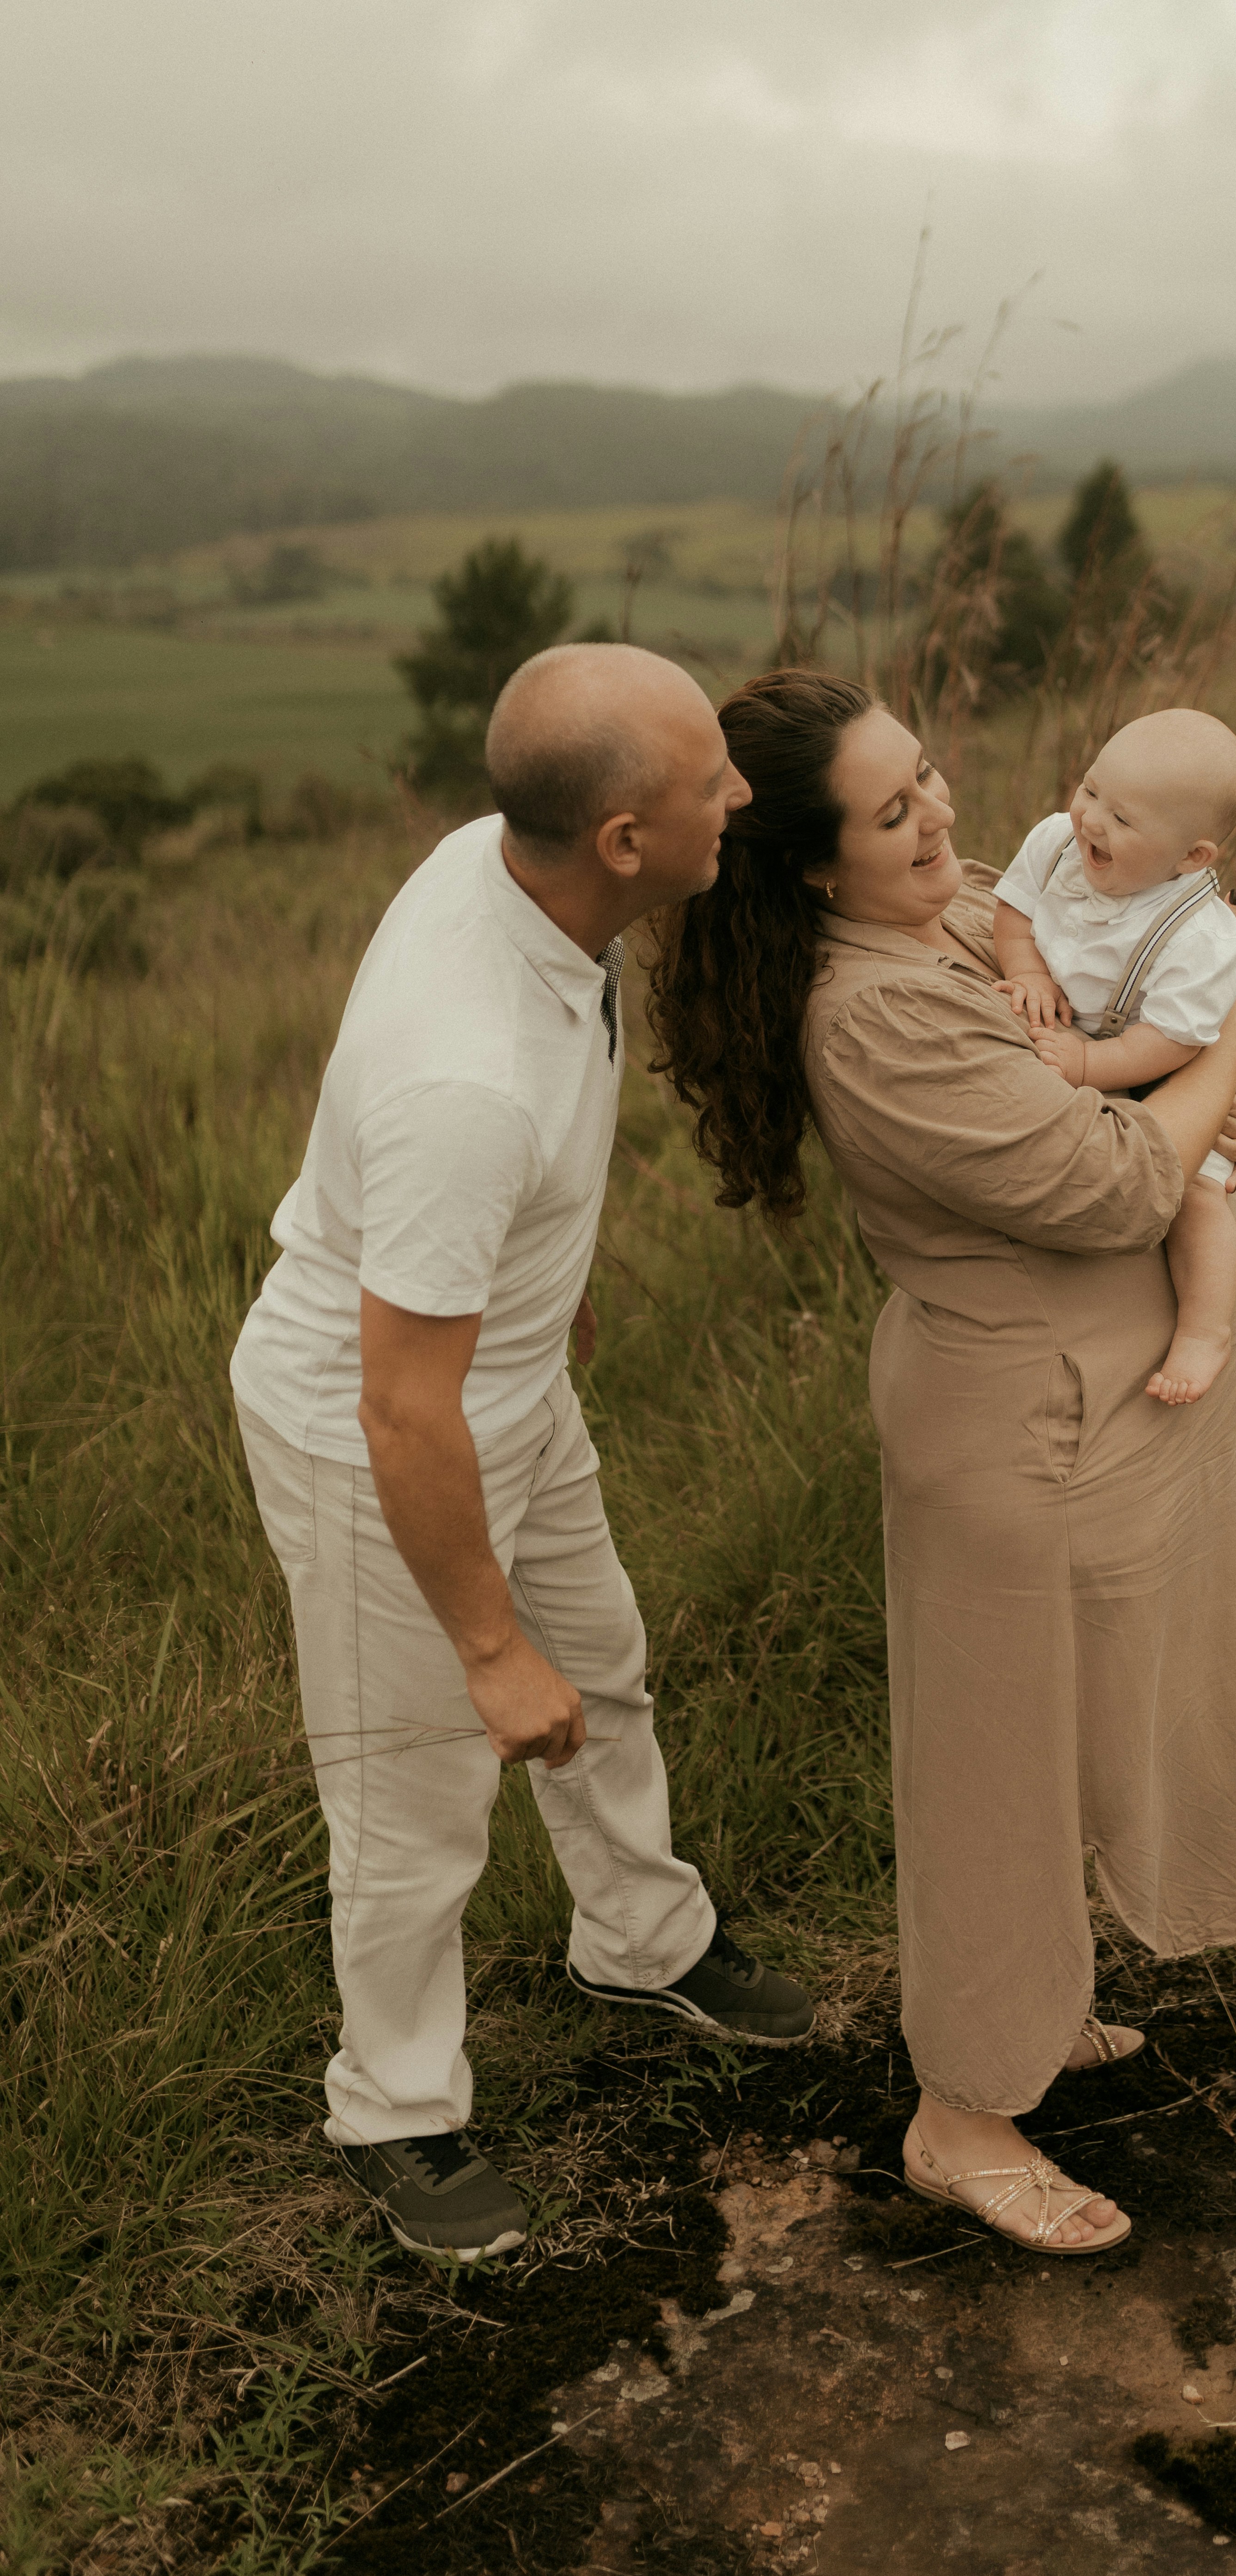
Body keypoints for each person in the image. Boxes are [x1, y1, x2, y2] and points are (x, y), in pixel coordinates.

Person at [649, 670, 1236, 2256]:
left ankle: (1037, 2004)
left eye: (927, 774)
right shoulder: (875, 1009)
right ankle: (965, 2112)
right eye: (892, 811)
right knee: (994, 1767)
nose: (942, 813)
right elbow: (1110, 1188)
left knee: (1082, 1722)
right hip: (1024, 1429)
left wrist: (1207, 1088)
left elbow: (1151, 1041)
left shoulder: (961, 907)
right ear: (812, 867)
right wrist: (1224, 1058)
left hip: (1112, 1409)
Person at [230, 644, 814, 2265]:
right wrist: (487, 1649)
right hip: (382, 1441)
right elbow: (398, 1406)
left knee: (606, 1666)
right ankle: (397, 2110)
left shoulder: (516, 872)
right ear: (623, 840)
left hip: (508, 1388)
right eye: (714, 786)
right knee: (413, 1802)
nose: (742, 800)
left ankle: (643, 1941)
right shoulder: (459, 1077)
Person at [992, 709, 1236, 1405]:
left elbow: (1173, 1040)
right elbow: (1015, 911)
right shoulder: (1057, 845)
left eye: (1124, 819)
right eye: (1091, 789)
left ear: (1192, 858)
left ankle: (1205, 1331)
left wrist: (1086, 1067)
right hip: (1085, 1033)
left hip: (1172, 1058)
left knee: (1198, 1198)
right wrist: (1027, 972)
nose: (1091, 821)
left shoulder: (1202, 937)